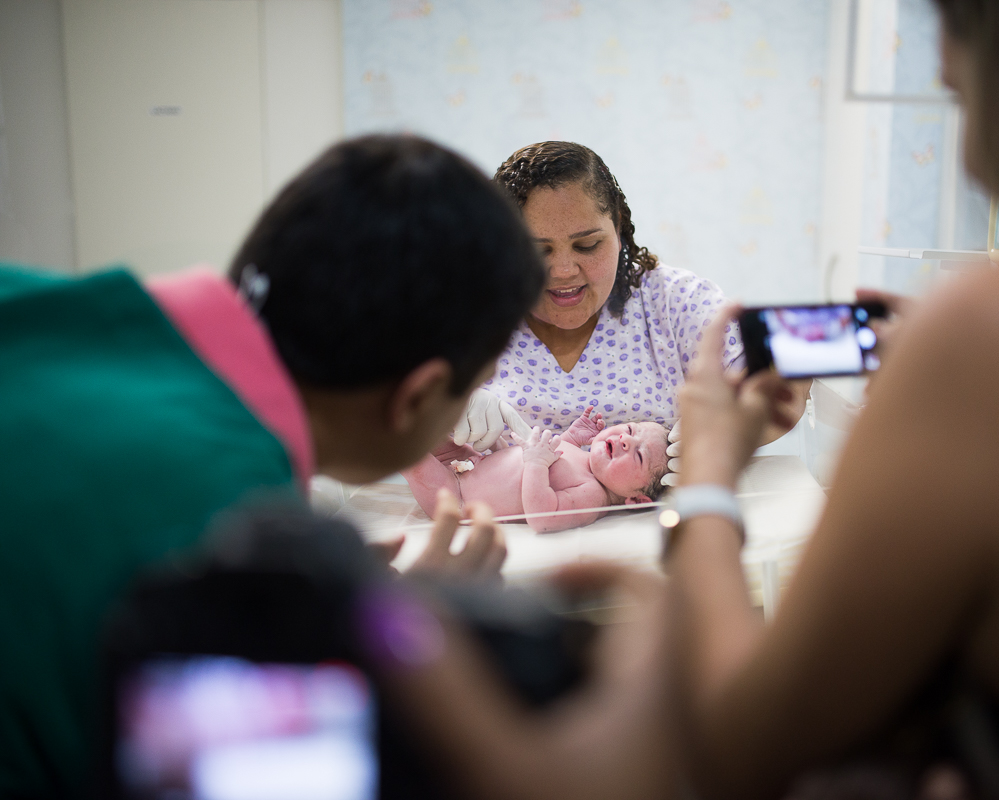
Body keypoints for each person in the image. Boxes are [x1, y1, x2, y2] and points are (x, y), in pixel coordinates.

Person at [664, 1, 999, 798]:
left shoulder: (989, 334)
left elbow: (742, 743)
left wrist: (704, 477)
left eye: (961, 98)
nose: (972, 160)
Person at [0, 134, 541, 797]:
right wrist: (398, 625)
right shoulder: (224, 518)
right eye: (475, 388)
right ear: (419, 397)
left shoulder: (42, 306)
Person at [449, 140, 801, 461]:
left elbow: (785, 378)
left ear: (618, 229)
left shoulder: (672, 302)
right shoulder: (470, 314)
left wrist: (729, 430)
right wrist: (444, 413)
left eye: (587, 245)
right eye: (537, 251)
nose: (564, 271)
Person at [405, 407, 670, 532]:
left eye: (639, 455)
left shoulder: (592, 496)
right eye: (631, 429)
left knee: (405, 450)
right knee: (426, 426)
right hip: (468, 461)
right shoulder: (585, 460)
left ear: (636, 500)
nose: (626, 439)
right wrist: (571, 437)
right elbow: (558, 453)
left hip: (456, 496)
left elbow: (543, 518)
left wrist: (536, 464)